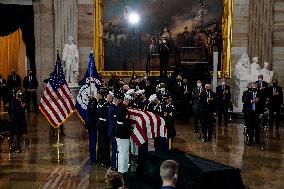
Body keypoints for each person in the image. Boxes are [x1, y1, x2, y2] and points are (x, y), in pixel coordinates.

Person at [115, 94, 132, 173]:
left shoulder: (119, 106)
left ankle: (123, 168)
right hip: (123, 132)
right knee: (123, 151)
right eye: (129, 101)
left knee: (121, 151)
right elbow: (126, 121)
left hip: (118, 131)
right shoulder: (124, 108)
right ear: (127, 100)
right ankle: (122, 170)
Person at [10, 88, 27, 153]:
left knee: (21, 133)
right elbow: (14, 109)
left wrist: (23, 107)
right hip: (15, 119)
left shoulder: (22, 99)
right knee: (16, 134)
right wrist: (21, 107)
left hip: (22, 119)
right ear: (16, 93)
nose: (20, 94)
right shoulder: (13, 100)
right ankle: (17, 148)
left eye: (20, 93)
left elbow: (25, 106)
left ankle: (20, 147)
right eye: (18, 93)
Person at [108, 92, 122, 170]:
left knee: (115, 148)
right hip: (114, 131)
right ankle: (114, 165)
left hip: (113, 131)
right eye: (119, 100)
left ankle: (115, 164)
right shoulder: (112, 108)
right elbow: (113, 121)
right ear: (116, 99)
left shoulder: (114, 107)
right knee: (115, 148)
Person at [96, 92, 111, 167]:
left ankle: (105, 160)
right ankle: (103, 159)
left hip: (104, 125)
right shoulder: (101, 103)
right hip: (101, 125)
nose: (96, 96)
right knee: (102, 143)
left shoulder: (105, 104)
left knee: (104, 143)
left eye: (97, 95)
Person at [86, 93, 98, 164]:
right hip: (93, 124)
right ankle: (94, 158)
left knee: (91, 140)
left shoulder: (91, 101)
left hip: (89, 124)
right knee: (93, 141)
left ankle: (91, 156)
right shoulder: (95, 103)